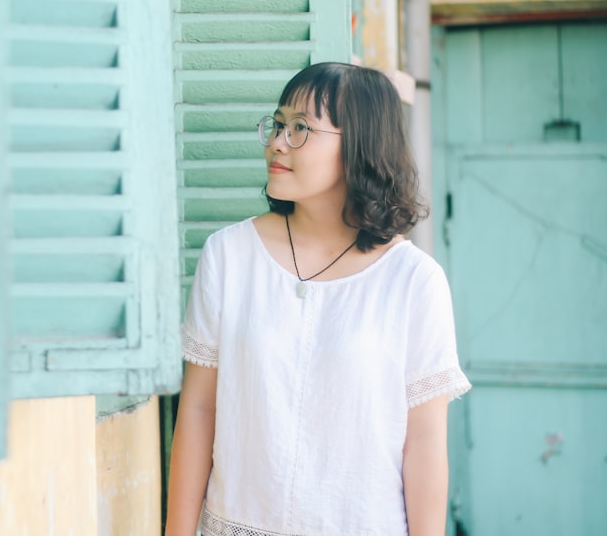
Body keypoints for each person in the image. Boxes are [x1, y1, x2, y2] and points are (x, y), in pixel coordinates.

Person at [164, 62, 471, 536]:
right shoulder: (228, 256)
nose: (277, 142)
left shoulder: (414, 281)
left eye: (301, 128)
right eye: (278, 124)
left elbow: (425, 443)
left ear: (360, 145)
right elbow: (200, 410)